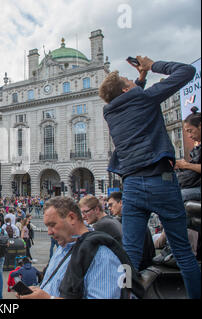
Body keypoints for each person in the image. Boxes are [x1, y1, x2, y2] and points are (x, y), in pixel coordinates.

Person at [99, 56, 201, 298]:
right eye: (128, 81)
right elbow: (186, 71)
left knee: (129, 255)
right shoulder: (143, 99)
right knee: (183, 253)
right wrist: (152, 65)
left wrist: (140, 79)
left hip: (132, 185)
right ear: (126, 89)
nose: (133, 83)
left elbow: (132, 99)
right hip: (161, 181)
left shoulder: (110, 111)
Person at [19, 197, 141, 299]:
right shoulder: (63, 247)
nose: (49, 232)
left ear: (72, 218)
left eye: (52, 225)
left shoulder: (100, 255)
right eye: (47, 226)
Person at [174, 107, 201, 202]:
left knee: (176, 197)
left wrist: (186, 165)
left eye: (190, 131)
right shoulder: (198, 148)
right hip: (195, 185)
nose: (189, 136)